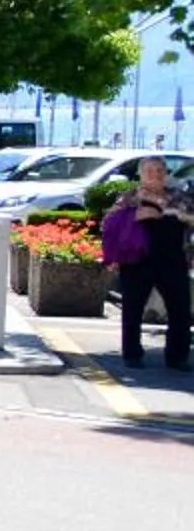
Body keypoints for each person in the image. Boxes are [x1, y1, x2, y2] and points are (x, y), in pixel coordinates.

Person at [102, 158, 191, 371]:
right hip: (136, 262)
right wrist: (135, 215)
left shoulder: (178, 196)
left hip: (173, 260)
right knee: (132, 309)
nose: (156, 174)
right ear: (141, 174)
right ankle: (132, 354)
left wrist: (178, 215)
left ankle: (177, 357)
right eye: (150, 170)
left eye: (160, 170)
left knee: (180, 310)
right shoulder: (130, 197)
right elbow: (108, 224)